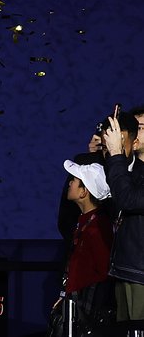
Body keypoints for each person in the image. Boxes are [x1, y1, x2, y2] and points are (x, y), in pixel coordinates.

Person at [49, 161, 115, 335]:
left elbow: (102, 274)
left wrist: (83, 309)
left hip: (86, 314)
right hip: (74, 306)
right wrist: (65, 297)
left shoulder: (99, 227)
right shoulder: (83, 221)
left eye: (74, 180)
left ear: (84, 192)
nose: (69, 183)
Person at [99, 111, 144, 324]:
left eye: (142, 127)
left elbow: (128, 199)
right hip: (126, 269)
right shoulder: (134, 170)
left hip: (140, 274)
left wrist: (117, 152)